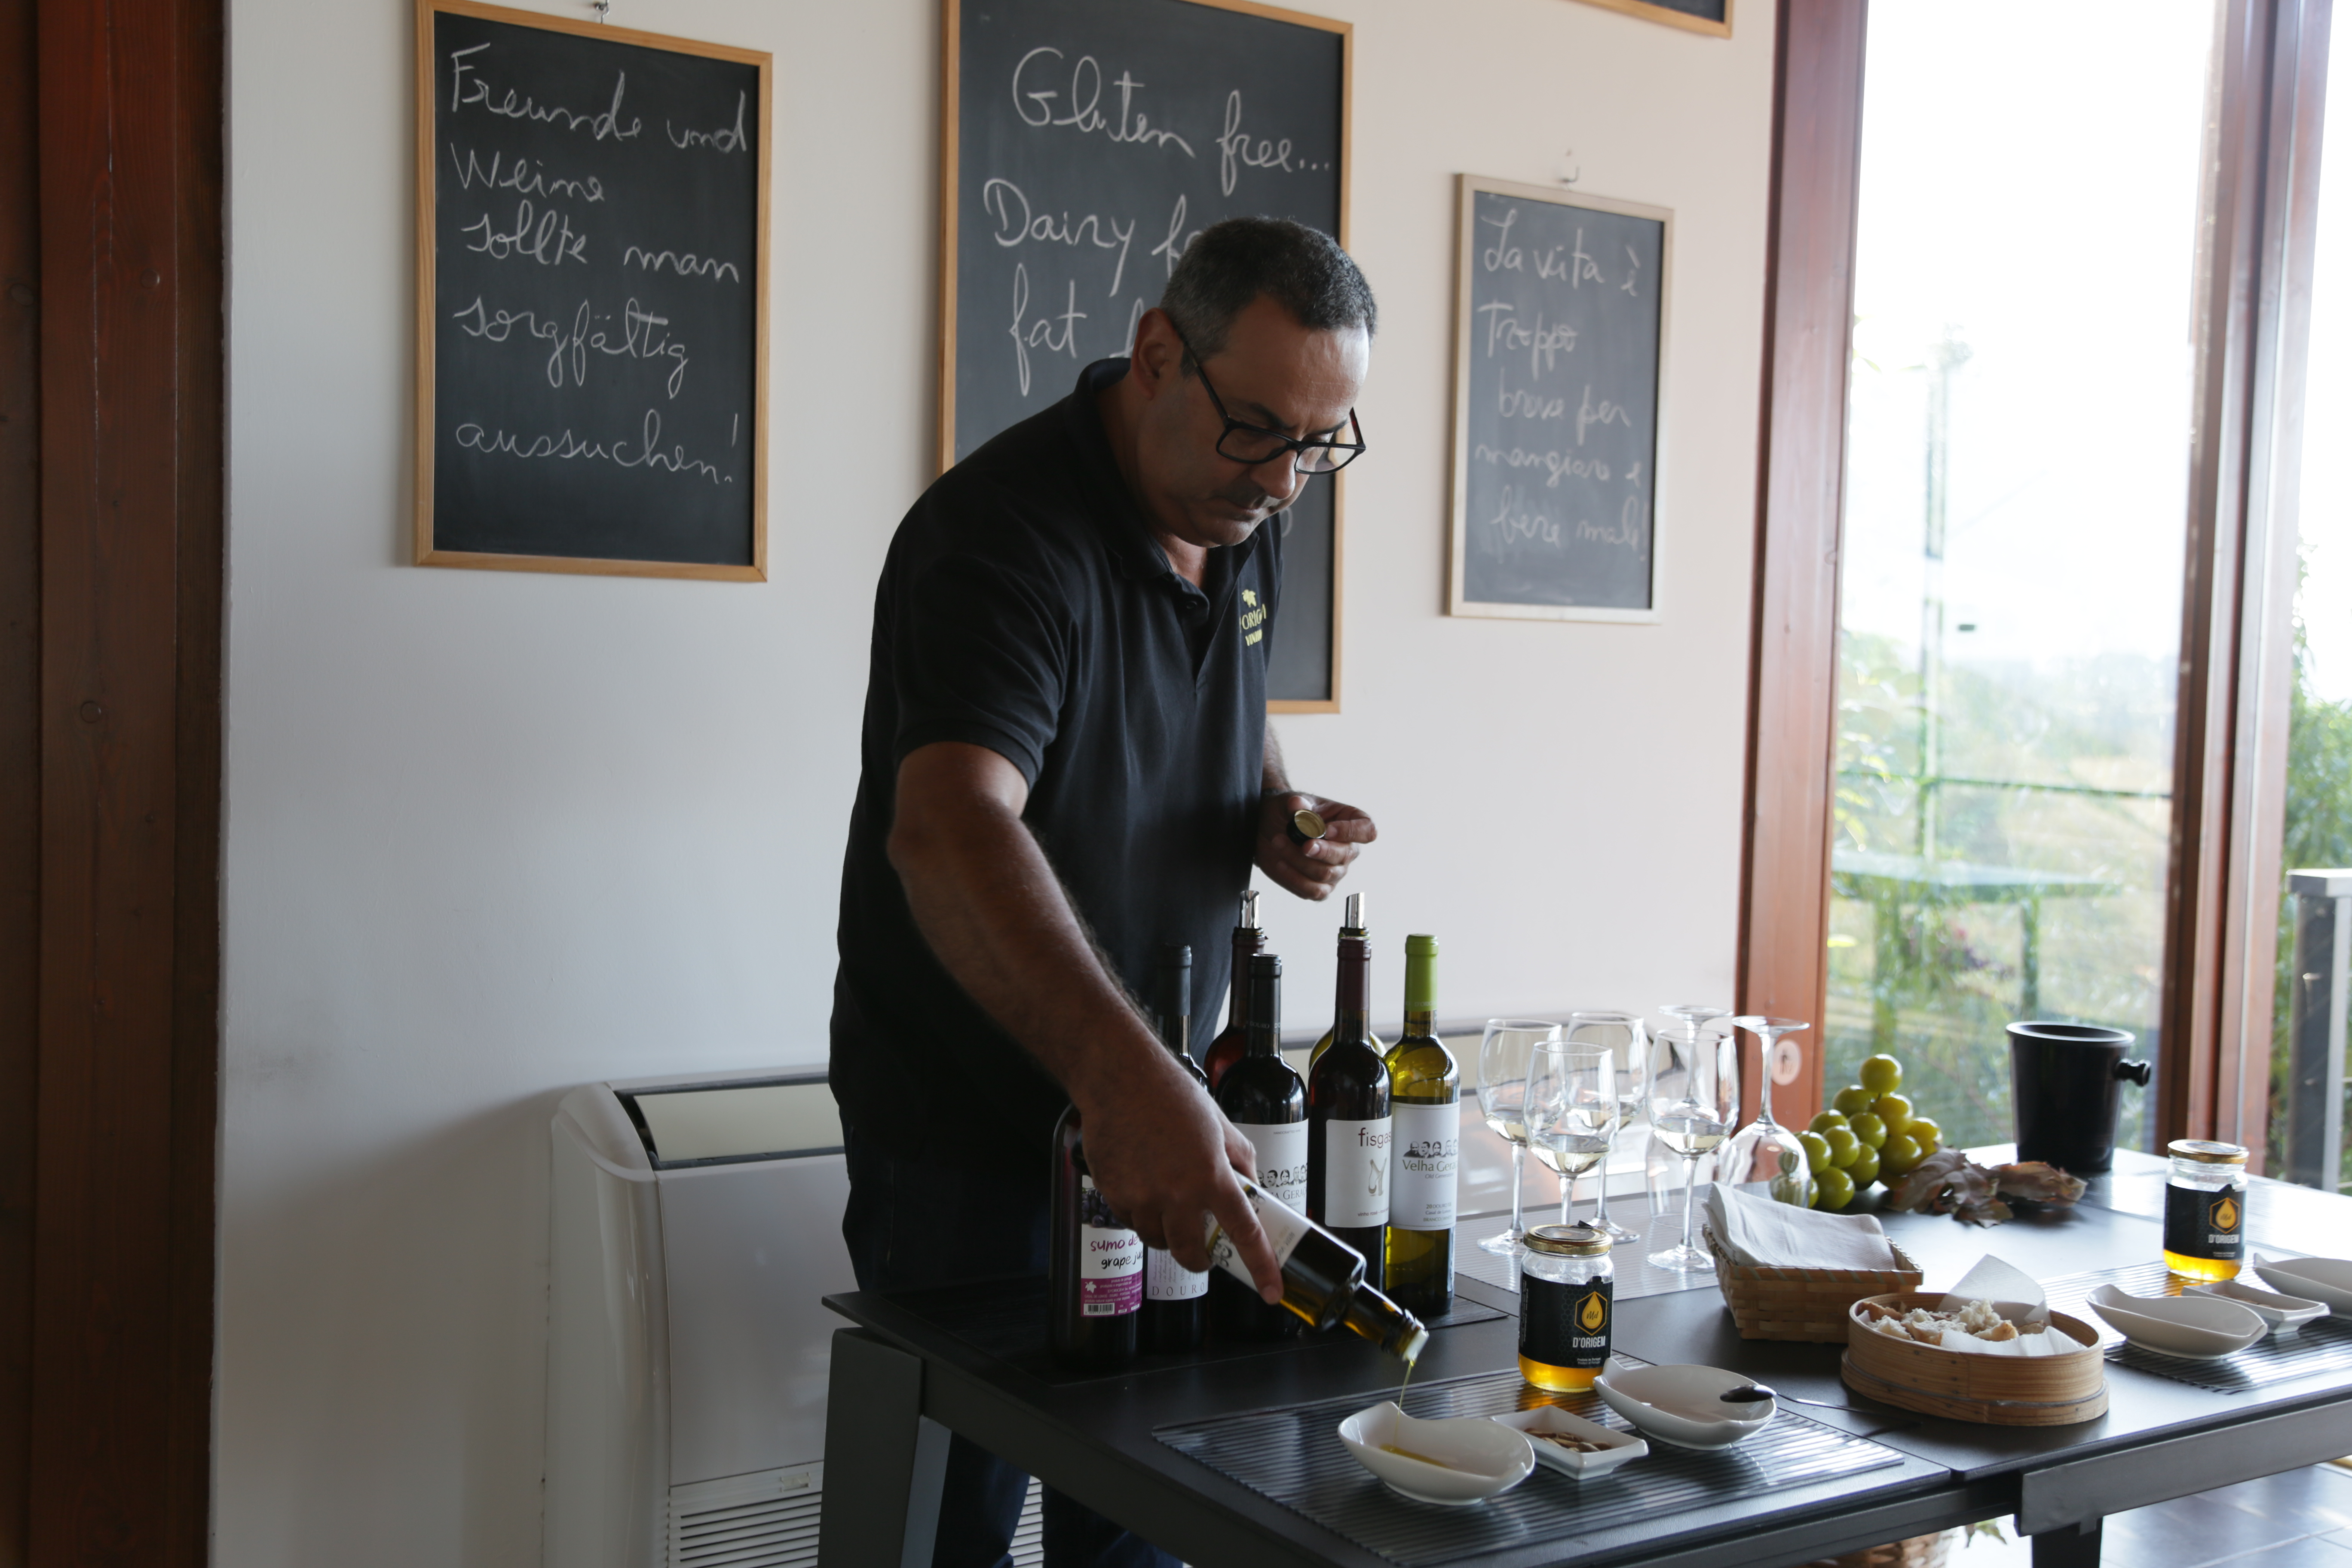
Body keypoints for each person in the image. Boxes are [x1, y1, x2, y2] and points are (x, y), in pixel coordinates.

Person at [829, 218, 1378, 1567]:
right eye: (1262, 430)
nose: (1290, 480)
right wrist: (1131, 1086)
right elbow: (948, 827)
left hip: (1156, 1101)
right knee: (946, 1531)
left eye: (1323, 443)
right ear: (1154, 356)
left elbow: (1225, 673)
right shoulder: (999, 539)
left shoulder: (1241, 502)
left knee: (1144, 1515)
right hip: (974, 1132)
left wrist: (1272, 808)